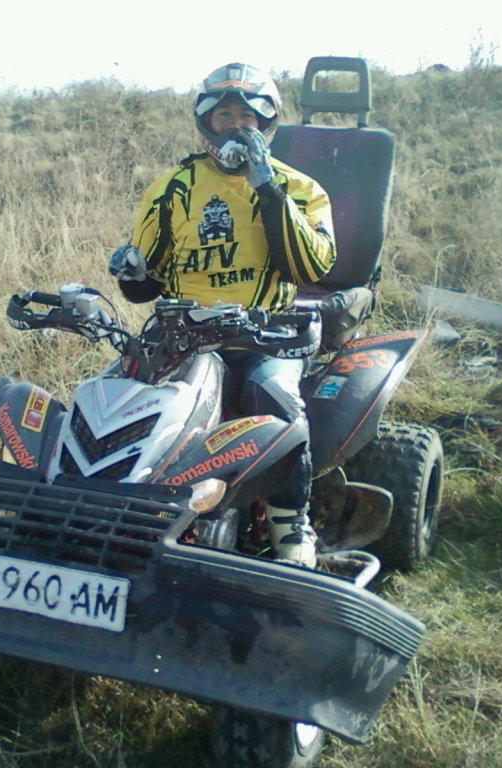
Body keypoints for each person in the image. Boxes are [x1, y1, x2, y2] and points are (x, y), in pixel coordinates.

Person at [108, 62, 336, 567]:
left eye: (247, 117)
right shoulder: (173, 187)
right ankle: (103, 506)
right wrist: (130, 272)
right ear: (206, 122)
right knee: (116, 392)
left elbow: (309, 267)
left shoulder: (301, 187)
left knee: (274, 397)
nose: (235, 126)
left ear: (265, 123)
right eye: (224, 115)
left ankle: (291, 524)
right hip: (181, 332)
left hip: (266, 333)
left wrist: (266, 188)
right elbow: (145, 286)